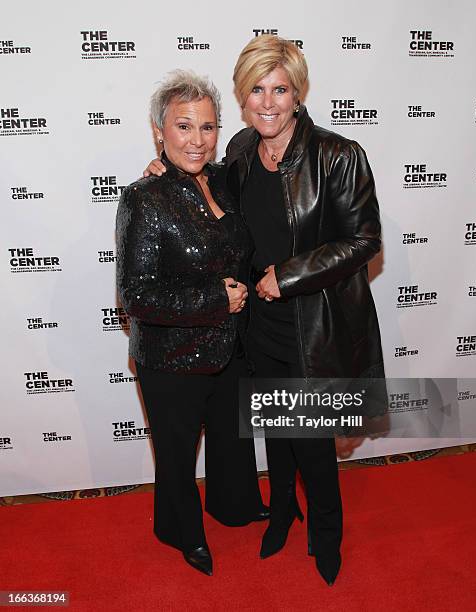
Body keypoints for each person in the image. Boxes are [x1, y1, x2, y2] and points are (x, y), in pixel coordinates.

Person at [144, 35, 385, 586]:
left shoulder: (338, 155)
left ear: (298, 94)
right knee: (275, 435)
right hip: (257, 327)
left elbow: (364, 240)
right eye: (257, 89)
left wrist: (290, 274)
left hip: (314, 324)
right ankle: (280, 517)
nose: (269, 102)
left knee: (312, 444)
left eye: (281, 89)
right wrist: (162, 168)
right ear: (243, 95)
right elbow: (207, 190)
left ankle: (327, 538)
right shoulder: (239, 152)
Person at [116, 70, 268, 577]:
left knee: (232, 439)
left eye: (207, 127)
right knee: (178, 455)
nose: (196, 140)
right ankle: (180, 531)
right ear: (160, 130)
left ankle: (236, 505)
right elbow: (135, 295)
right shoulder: (145, 197)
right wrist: (212, 299)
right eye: (183, 127)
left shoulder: (225, 178)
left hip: (231, 346)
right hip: (172, 356)